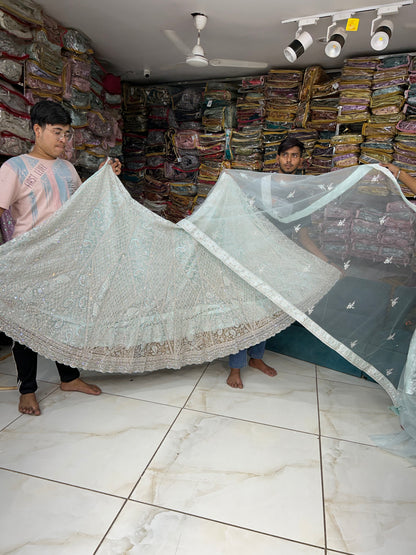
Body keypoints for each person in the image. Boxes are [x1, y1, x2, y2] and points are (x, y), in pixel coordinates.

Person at [0, 100, 121, 415]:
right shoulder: (14, 168)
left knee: (64, 322)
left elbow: (82, 205)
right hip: (29, 263)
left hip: (66, 262)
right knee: (26, 329)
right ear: (37, 130)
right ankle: (28, 390)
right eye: (57, 132)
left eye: (67, 134)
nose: (63, 140)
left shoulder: (67, 169)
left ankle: (69, 377)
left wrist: (103, 177)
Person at [227, 138, 307, 389]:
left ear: (301, 159)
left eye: (294, 155)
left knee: (269, 311)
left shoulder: (304, 190)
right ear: (277, 158)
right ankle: (235, 367)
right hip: (254, 253)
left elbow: (303, 230)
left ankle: (257, 358)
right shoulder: (261, 185)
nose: (289, 160)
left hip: (281, 258)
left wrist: (324, 260)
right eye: (285, 155)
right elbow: (240, 210)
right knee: (246, 310)